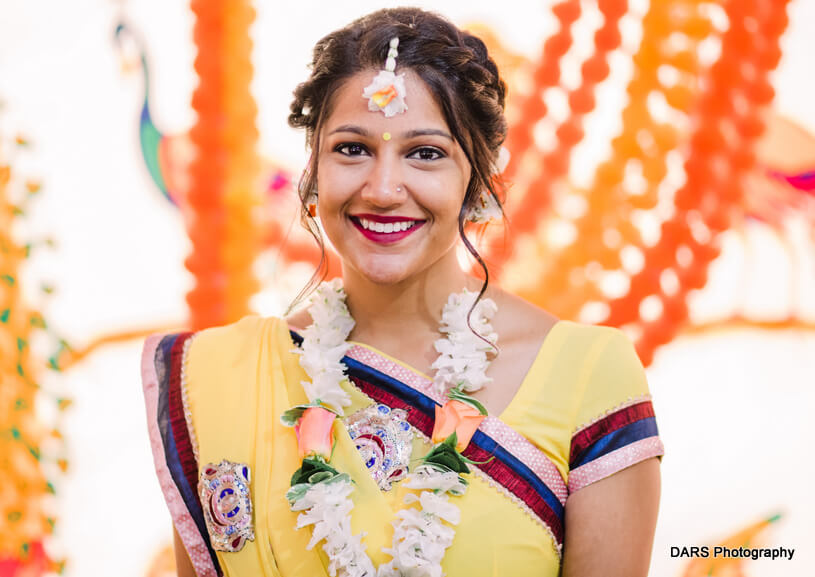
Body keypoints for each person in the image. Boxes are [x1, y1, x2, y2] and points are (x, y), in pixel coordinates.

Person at [141, 7, 663, 577]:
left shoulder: (588, 374)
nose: (384, 189)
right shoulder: (219, 381)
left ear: (479, 183)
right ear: (313, 173)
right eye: (352, 149)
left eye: (426, 153)